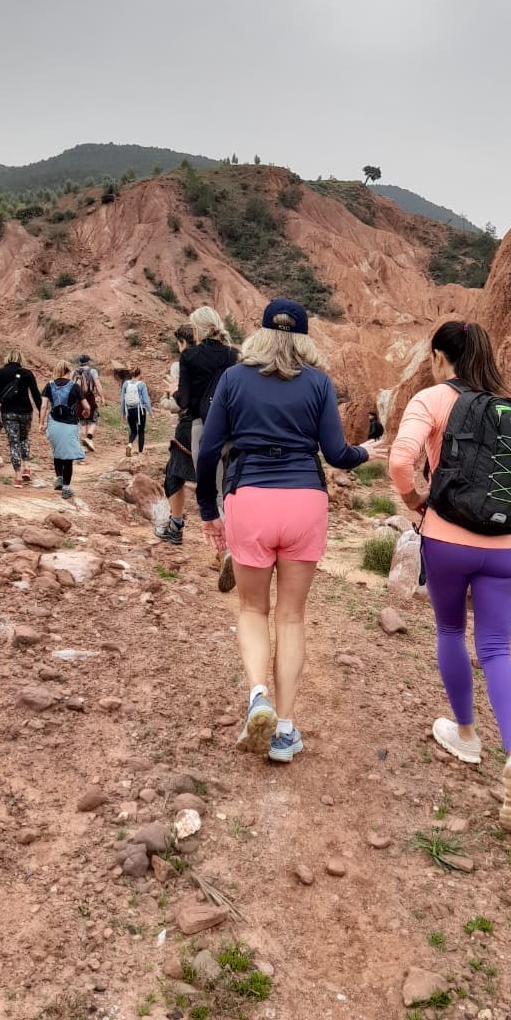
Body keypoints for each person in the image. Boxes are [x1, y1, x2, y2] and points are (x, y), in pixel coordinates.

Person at [197, 298, 382, 763]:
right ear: (304, 338)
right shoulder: (319, 383)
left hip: (250, 499)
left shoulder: (234, 378)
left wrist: (207, 510)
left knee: (253, 609)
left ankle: (257, 694)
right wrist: (367, 454)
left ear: (261, 334)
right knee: (292, 618)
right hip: (304, 502)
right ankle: (283, 727)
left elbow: (208, 451)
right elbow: (337, 454)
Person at [388, 320, 511, 832]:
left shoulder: (431, 400)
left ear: (437, 356)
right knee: (497, 649)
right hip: (508, 547)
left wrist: (416, 500)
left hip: (447, 539)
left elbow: (401, 461)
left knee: (451, 631)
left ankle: (467, 737)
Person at [175, 306, 239, 586]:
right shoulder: (234, 355)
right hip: (235, 428)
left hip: (204, 426)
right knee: (232, 490)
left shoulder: (189, 356)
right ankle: (237, 546)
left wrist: (173, 394)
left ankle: (226, 551)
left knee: (210, 489)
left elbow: (185, 400)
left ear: (197, 328)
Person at [156, 325, 197, 545]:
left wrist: (165, 400)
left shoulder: (179, 366)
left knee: (174, 475)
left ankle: (176, 526)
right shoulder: (220, 362)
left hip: (189, 427)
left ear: (181, 343)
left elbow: (180, 403)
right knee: (218, 483)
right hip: (218, 427)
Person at [0, 349, 42, 486]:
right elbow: (36, 394)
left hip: (8, 412)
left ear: (7, 358)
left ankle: (18, 478)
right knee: (24, 439)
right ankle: (27, 468)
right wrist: (41, 412)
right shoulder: (27, 373)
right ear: (21, 359)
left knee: (13, 443)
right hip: (25, 412)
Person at [39, 359, 86, 500]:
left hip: (53, 424)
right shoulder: (75, 387)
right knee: (69, 456)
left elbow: (43, 406)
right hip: (70, 424)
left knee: (58, 451)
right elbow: (86, 407)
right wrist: (86, 413)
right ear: (68, 371)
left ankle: (59, 478)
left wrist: (41, 423)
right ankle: (66, 488)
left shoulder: (49, 385)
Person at [73, 355, 104, 451]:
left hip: (78, 400)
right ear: (88, 362)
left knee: (83, 422)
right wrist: (102, 396)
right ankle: (89, 438)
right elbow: (97, 385)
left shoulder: (75, 372)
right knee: (93, 420)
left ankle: (83, 447)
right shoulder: (92, 371)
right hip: (90, 399)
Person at [121, 366, 152, 457]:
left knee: (133, 431)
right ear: (140, 374)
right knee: (141, 431)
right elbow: (146, 400)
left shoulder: (125, 384)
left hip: (129, 410)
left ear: (131, 374)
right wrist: (151, 412)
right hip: (140, 410)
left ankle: (129, 444)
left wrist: (123, 413)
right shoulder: (142, 384)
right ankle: (140, 453)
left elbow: (122, 399)